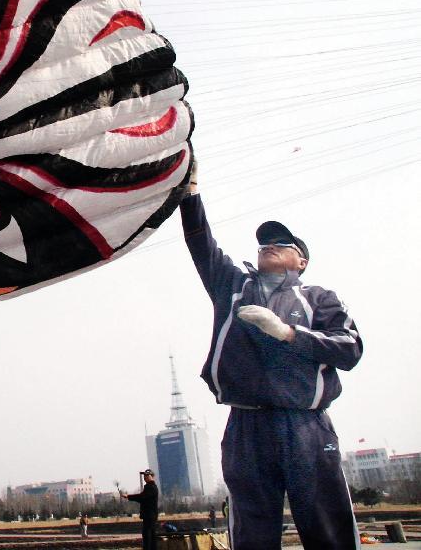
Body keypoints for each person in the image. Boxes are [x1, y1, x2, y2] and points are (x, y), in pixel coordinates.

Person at [180, 162, 363, 550]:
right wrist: (189, 192)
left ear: (302, 261)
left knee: (326, 527)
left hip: (305, 426)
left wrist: (288, 333)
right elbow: (201, 243)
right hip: (246, 426)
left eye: (282, 243)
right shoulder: (232, 285)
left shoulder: (319, 298)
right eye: (265, 242)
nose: (269, 246)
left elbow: (350, 349)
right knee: (252, 532)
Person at [122, 469, 158, 550]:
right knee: (150, 536)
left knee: (148, 536)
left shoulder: (151, 487)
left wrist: (128, 496)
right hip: (150, 516)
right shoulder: (150, 487)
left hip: (149, 516)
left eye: (146, 476)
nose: (144, 477)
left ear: (151, 476)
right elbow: (142, 497)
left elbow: (141, 497)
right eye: (144, 476)